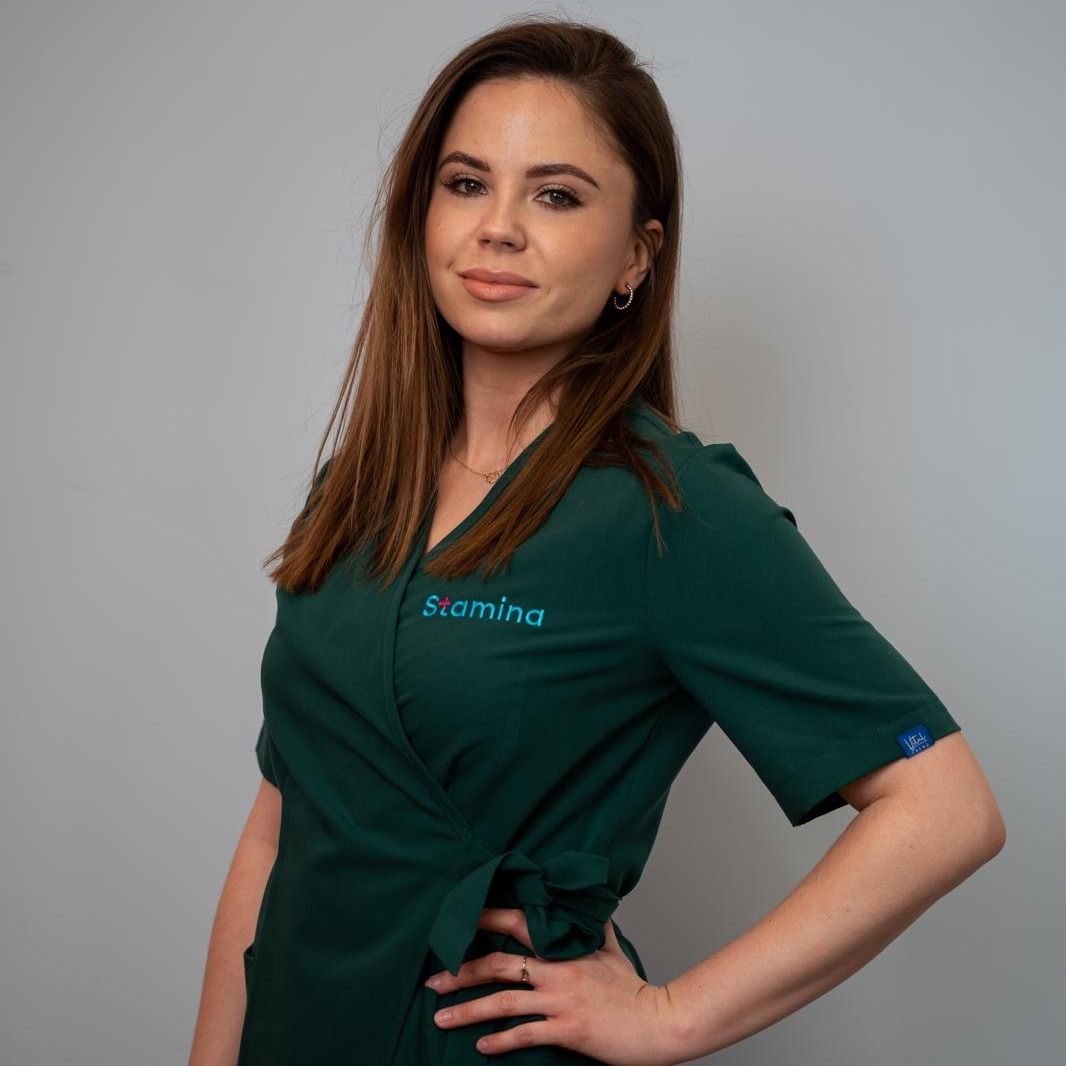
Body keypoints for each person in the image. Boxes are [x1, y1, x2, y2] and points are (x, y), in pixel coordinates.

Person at [188, 15, 1006, 1066]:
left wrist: (672, 1015)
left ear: (635, 253)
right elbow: (277, 830)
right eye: (467, 183)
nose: (497, 228)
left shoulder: (669, 507)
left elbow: (943, 807)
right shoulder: (358, 487)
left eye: (557, 195)